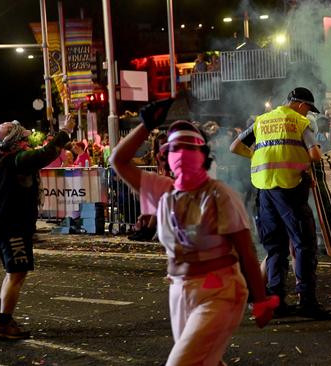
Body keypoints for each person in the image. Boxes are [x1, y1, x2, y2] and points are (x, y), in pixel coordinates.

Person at [110, 99, 278, 365]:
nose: (182, 153)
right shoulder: (165, 192)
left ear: (203, 155)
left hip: (220, 292)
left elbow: (246, 251)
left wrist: (260, 301)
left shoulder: (219, 195)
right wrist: (145, 125)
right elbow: (117, 160)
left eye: (189, 148)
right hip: (180, 292)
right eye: (175, 148)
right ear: (164, 156)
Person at [230, 86, 331, 321]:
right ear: (299, 104)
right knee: (304, 245)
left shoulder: (262, 121)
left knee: (276, 248)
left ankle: (276, 302)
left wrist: (259, 157)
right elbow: (316, 155)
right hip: (289, 189)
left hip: (265, 191)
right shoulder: (299, 122)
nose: (308, 113)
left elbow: (235, 146)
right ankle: (307, 302)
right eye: (308, 108)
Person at [0, 116, 75, 340]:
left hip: (1, 225)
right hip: (11, 227)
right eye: (23, 139)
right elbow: (46, 153)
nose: (26, 143)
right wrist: (65, 131)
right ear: (13, 142)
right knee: (17, 272)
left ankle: (1, 312)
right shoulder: (15, 160)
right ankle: (3, 325)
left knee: (14, 273)